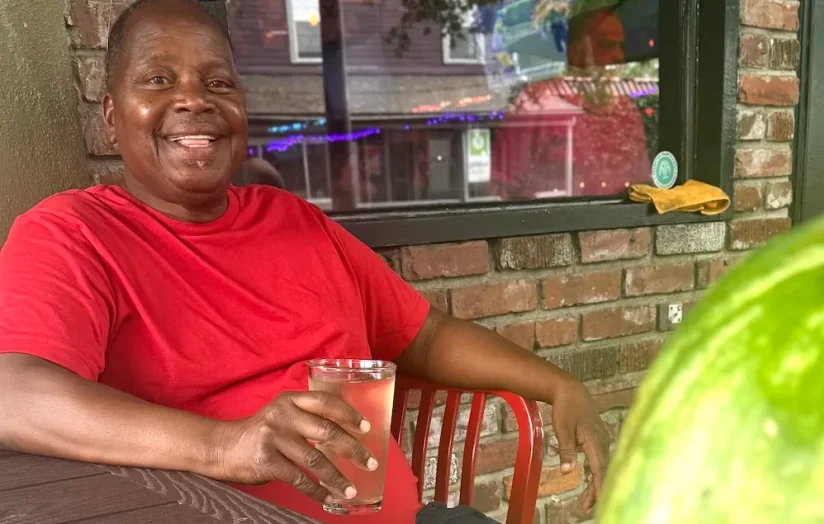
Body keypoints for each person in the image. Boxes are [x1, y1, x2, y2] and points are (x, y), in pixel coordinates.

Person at [0, 1, 611, 523]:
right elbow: (15, 395)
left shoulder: (296, 222)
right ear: (111, 116)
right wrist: (225, 445)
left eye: (218, 84)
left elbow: (426, 334)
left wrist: (559, 384)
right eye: (158, 80)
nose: (193, 101)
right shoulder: (74, 234)